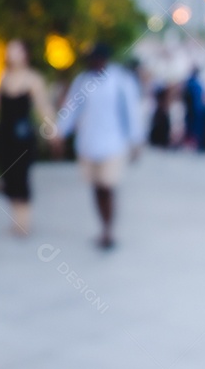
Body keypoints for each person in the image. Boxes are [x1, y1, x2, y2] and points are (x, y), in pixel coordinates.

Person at [55, 43, 142, 250]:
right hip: (88, 143)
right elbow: (71, 109)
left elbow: (131, 112)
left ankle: (108, 229)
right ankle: (103, 225)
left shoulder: (120, 81)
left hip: (113, 143)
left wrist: (136, 141)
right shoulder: (83, 81)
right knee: (96, 187)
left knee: (108, 186)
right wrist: (59, 133)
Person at [0, 40, 57, 237]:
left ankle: (24, 221)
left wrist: (52, 129)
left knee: (22, 177)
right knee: (8, 178)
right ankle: (15, 217)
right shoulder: (2, 78)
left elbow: (43, 107)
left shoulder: (33, 79)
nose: (12, 55)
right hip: (4, 136)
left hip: (23, 137)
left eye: (16, 51)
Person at [183, 67, 205, 149]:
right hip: (194, 109)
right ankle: (192, 144)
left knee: (192, 128)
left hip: (194, 109)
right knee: (193, 128)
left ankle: (192, 144)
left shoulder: (190, 83)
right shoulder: (194, 83)